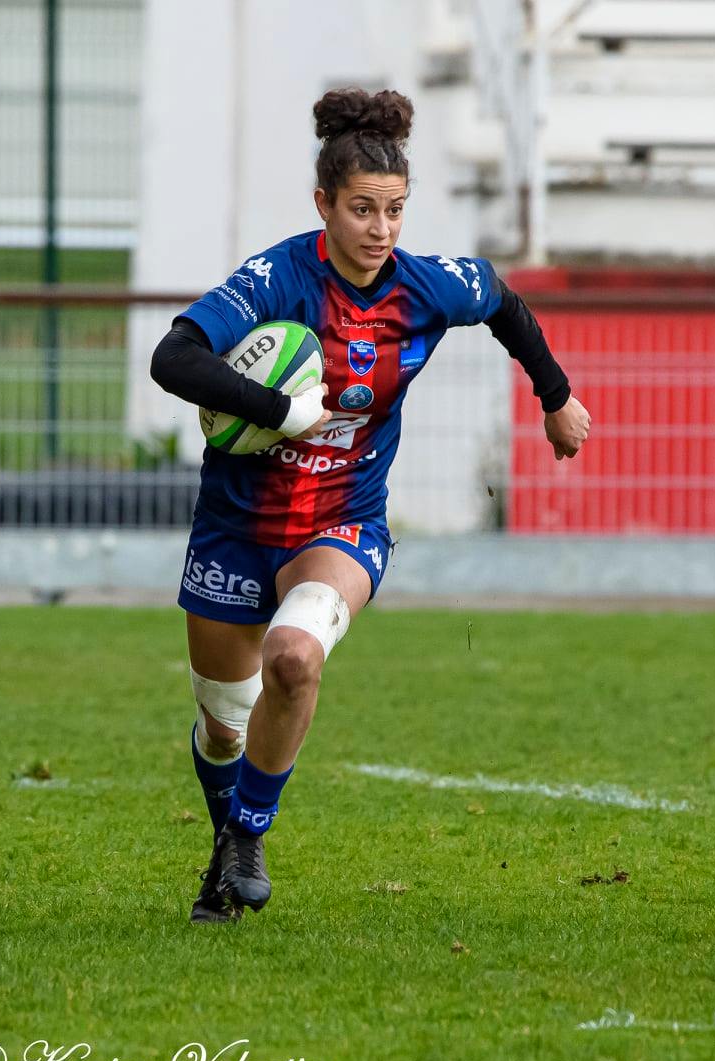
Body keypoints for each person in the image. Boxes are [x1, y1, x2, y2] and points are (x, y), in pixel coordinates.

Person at [149, 87, 592, 923]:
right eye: (361, 210)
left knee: (293, 658)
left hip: (342, 522)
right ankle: (224, 843)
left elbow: (500, 299)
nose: (380, 229)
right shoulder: (276, 278)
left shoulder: (426, 288)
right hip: (235, 528)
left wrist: (555, 398)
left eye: (394, 210)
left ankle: (247, 833)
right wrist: (278, 409)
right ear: (324, 204)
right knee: (222, 725)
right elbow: (173, 358)